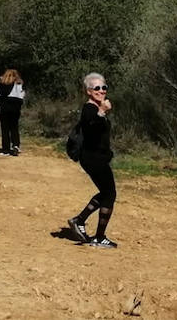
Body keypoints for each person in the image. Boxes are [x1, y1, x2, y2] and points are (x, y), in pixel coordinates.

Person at [66, 72, 116, 248]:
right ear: (88, 91)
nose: (101, 91)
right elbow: (91, 128)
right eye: (97, 88)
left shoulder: (95, 108)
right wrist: (102, 111)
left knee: (105, 193)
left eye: (104, 87)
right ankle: (99, 236)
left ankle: (79, 220)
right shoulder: (90, 109)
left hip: (97, 158)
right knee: (109, 194)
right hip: (93, 158)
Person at [0, 68, 25, 155]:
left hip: (3, 108)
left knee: (5, 128)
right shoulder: (18, 84)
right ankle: (16, 145)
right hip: (15, 109)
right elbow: (21, 97)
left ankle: (6, 148)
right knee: (14, 127)